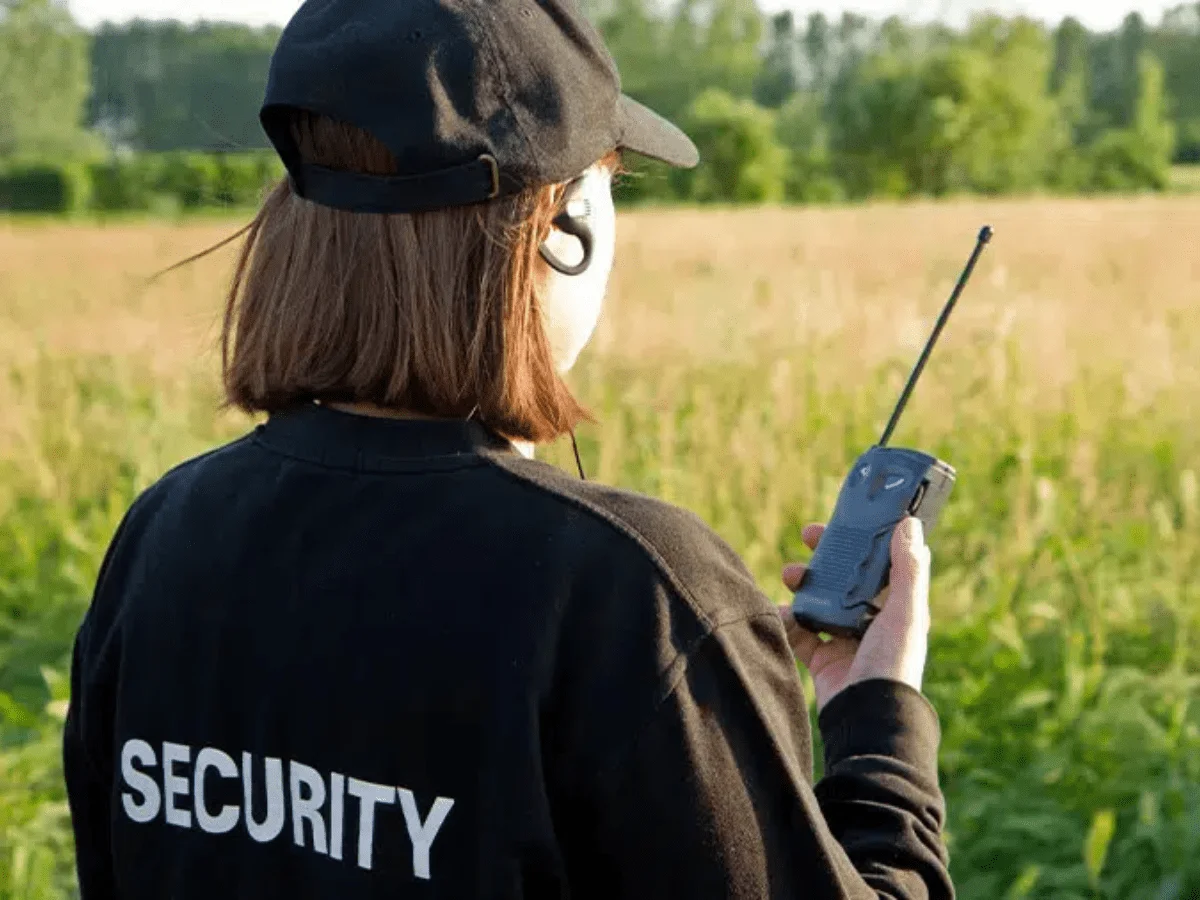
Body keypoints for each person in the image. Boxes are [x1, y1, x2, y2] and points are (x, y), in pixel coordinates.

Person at [63, 0, 954, 896]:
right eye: (609, 181)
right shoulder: (630, 597)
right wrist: (877, 715)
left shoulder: (164, 533)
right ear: (563, 227)